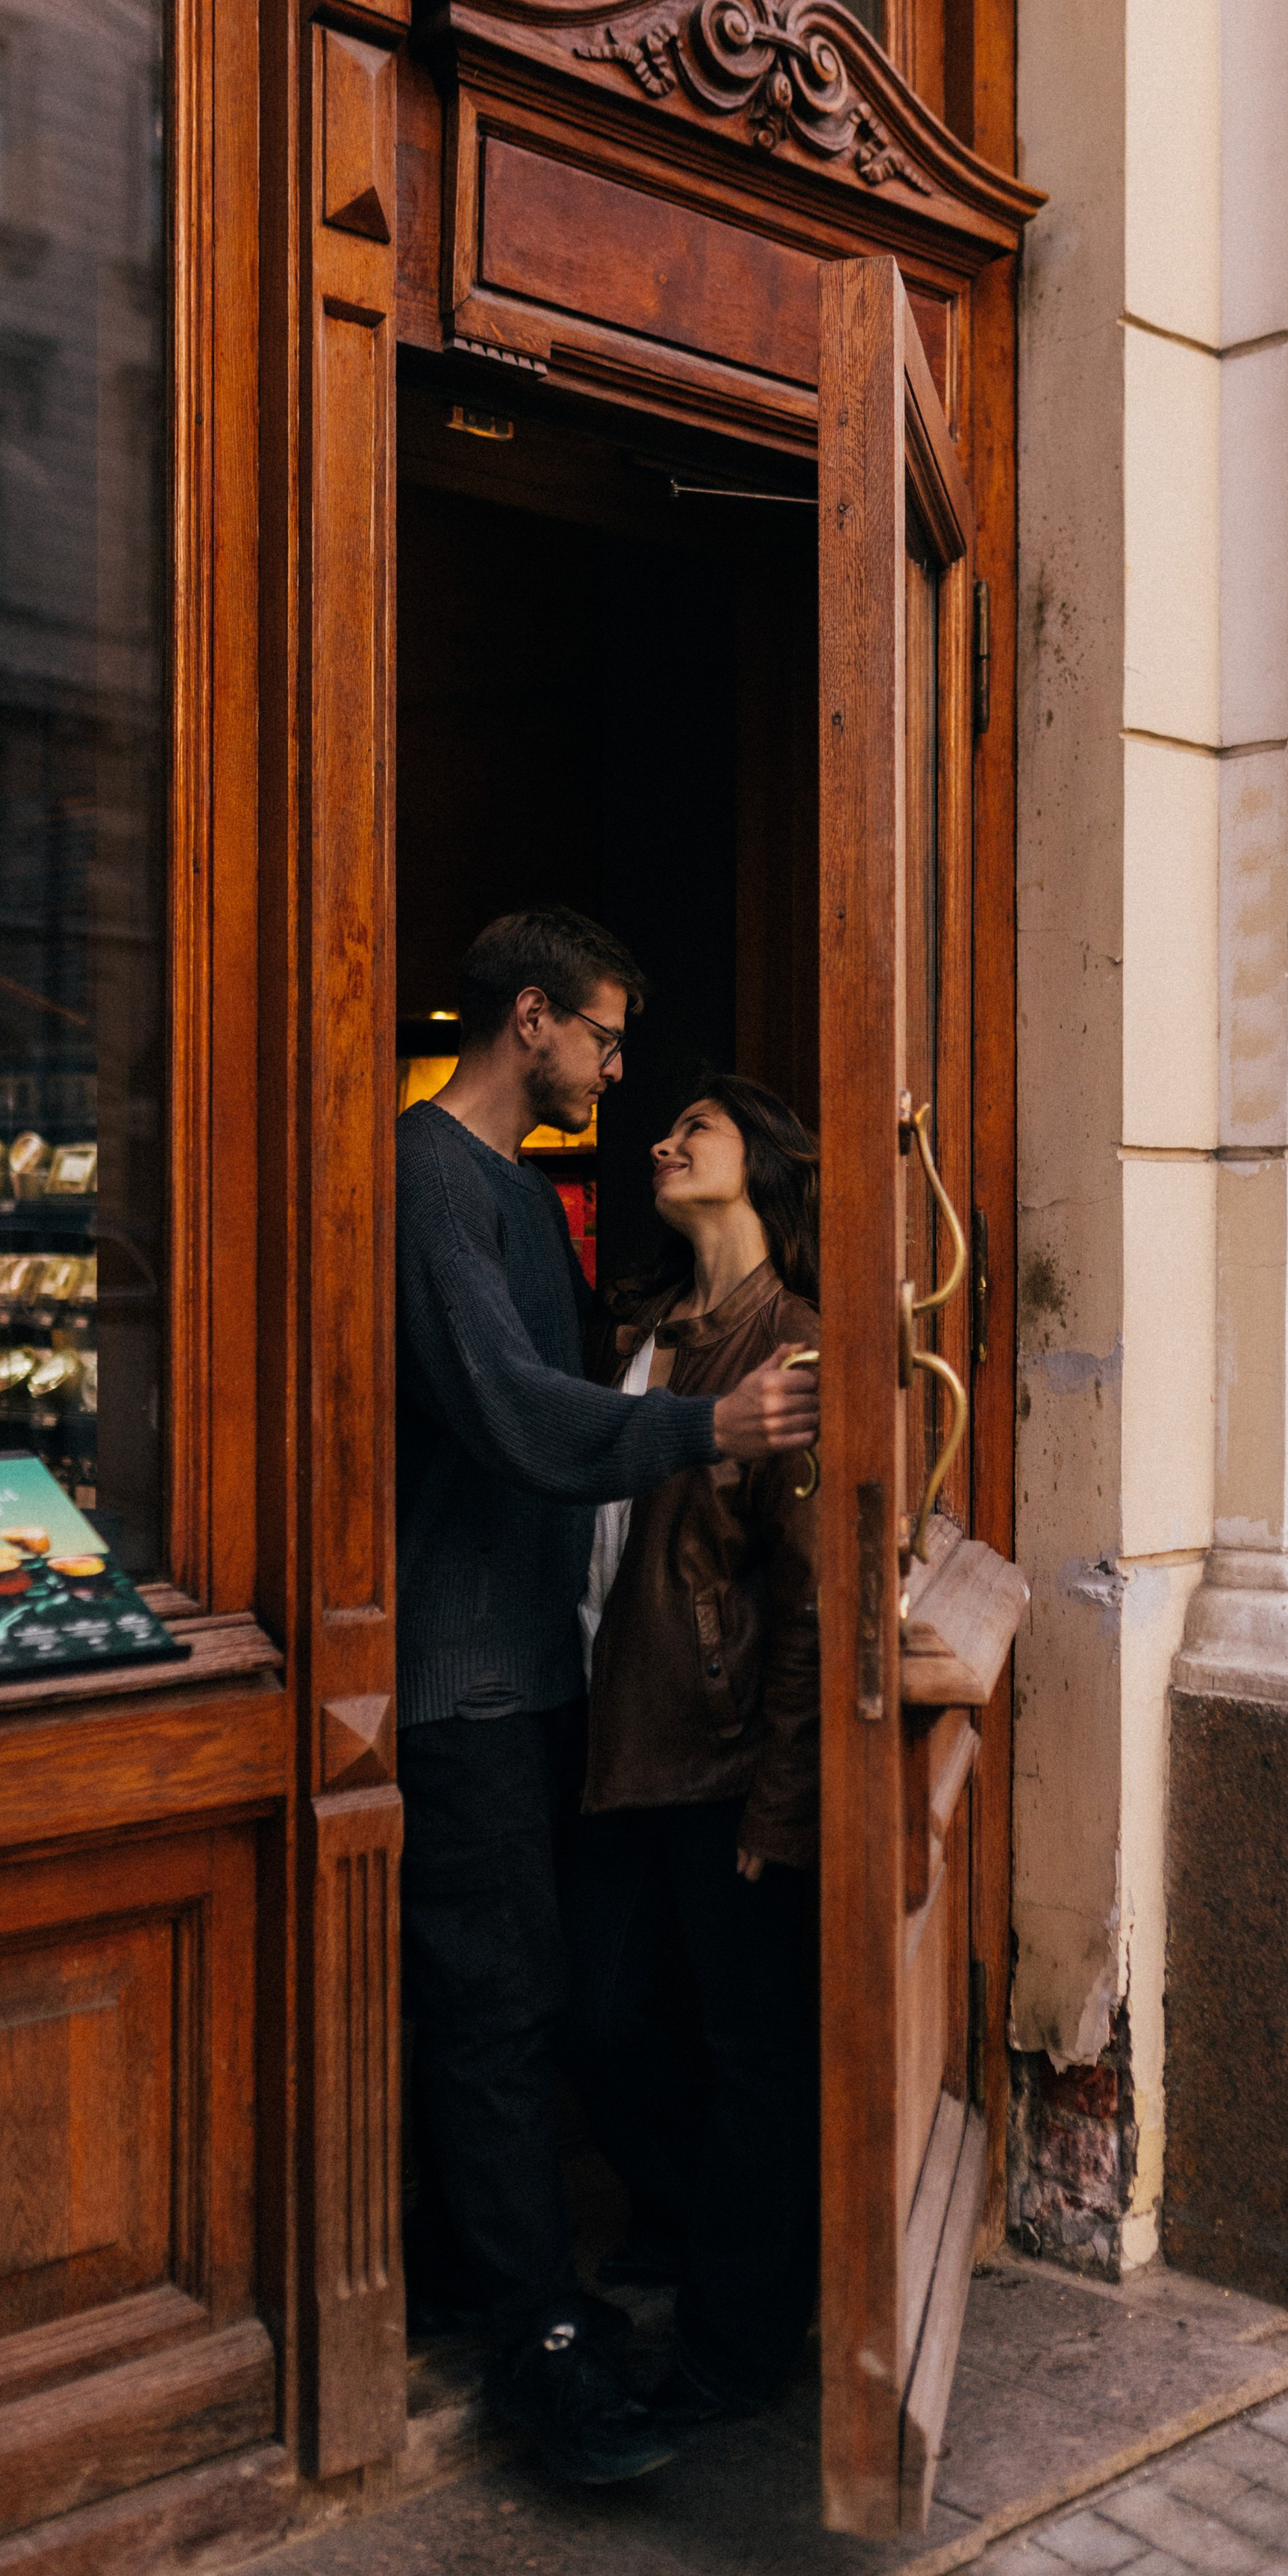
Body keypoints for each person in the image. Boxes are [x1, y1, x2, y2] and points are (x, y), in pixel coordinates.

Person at [394, 910, 816, 2488]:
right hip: (466, 1681)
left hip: (549, 1686)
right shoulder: (433, 1174)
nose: (619, 1072)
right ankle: (539, 2348)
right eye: (605, 1038)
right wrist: (708, 1429)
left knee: (538, 2003)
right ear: (532, 1021)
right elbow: (515, 1413)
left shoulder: (520, 1192)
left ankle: (534, 2282)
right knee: (507, 2012)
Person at [566, 1075, 822, 2424]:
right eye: (667, 1129)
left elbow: (812, 1599)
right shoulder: (643, 1330)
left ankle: (736, 2346)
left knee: (754, 2057)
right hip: (616, 1726)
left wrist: (780, 1805)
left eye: (697, 1129)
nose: (663, 1142)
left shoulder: (796, 1346)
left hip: (719, 1755)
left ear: (759, 1167)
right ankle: (692, 2220)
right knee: (605, 2019)